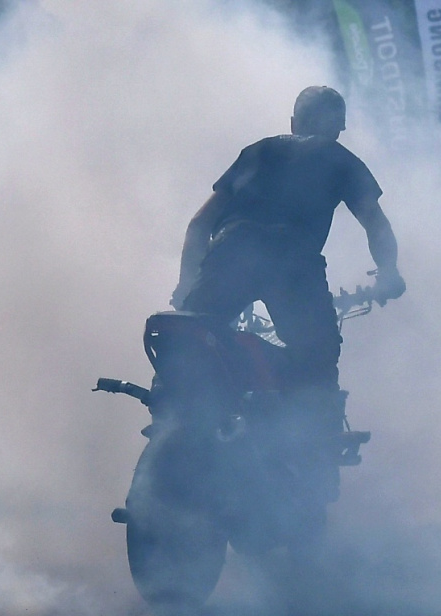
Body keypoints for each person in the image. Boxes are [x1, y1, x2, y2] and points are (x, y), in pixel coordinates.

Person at [169, 86, 405, 437]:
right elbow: (375, 222)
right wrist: (388, 273)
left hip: (231, 253)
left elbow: (200, 223)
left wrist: (187, 284)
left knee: (191, 337)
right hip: (293, 263)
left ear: (294, 122)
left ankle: (169, 415)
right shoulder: (341, 159)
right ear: (337, 128)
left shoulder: (258, 151)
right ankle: (311, 448)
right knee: (318, 360)